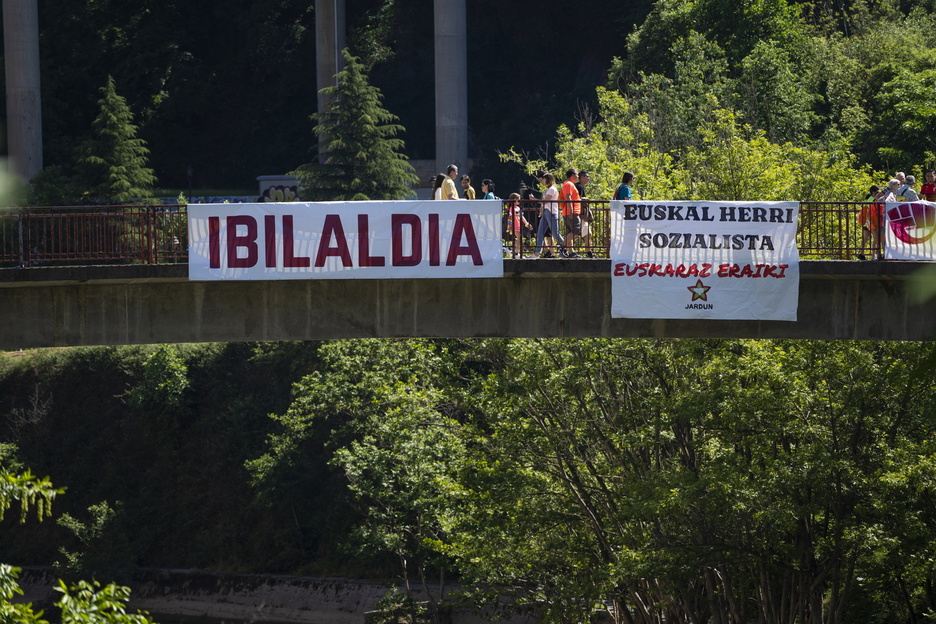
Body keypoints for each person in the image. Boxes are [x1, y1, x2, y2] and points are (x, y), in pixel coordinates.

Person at [534, 173, 563, 258]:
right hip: (547, 212)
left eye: (543, 179)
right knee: (540, 233)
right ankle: (537, 253)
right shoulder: (548, 189)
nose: (542, 182)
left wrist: (534, 199)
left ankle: (567, 246)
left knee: (555, 234)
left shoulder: (552, 189)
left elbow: (545, 201)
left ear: (547, 179)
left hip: (551, 213)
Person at [559, 168, 581, 258]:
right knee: (576, 231)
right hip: (571, 211)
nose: (578, 176)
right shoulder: (569, 184)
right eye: (576, 174)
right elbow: (568, 197)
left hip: (568, 211)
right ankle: (562, 246)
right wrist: (571, 210)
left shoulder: (567, 184)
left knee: (570, 232)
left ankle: (571, 252)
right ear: (572, 175)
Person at [858, 184, 883, 260]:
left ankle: (861, 253)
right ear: (873, 192)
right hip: (872, 221)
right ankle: (874, 255)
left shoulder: (868, 199)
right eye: (877, 192)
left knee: (865, 238)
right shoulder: (873, 199)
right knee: (876, 239)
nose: (878, 194)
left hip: (866, 221)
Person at [505, 192, 533, 257]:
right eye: (518, 200)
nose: (519, 201)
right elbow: (511, 215)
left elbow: (522, 217)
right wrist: (517, 214)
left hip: (518, 224)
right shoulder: (512, 208)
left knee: (518, 238)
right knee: (519, 238)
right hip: (514, 224)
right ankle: (516, 252)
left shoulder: (517, 207)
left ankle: (512, 249)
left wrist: (526, 223)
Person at [576, 170, 595, 257]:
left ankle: (589, 252)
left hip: (580, 214)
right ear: (582, 177)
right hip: (581, 214)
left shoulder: (578, 186)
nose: (588, 178)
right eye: (587, 176)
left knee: (587, 233)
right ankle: (563, 246)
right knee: (576, 233)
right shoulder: (579, 187)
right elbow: (578, 200)